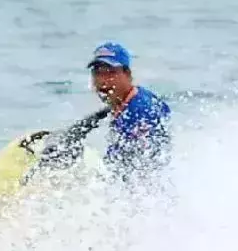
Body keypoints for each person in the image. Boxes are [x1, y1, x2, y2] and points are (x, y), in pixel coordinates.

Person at [43, 42, 172, 182]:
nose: (102, 81)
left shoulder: (139, 113)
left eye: (111, 73)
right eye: (97, 72)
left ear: (127, 74)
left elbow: (126, 171)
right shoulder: (132, 98)